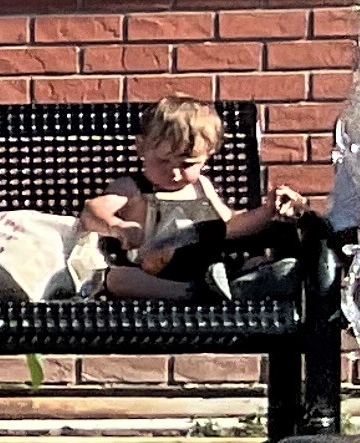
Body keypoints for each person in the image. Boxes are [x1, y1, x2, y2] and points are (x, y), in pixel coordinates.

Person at [82, 97, 302, 300]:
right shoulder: (132, 188)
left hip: (204, 267)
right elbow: (92, 211)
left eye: (187, 164)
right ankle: (197, 293)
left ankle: (251, 282)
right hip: (154, 273)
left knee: (253, 262)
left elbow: (230, 226)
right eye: (163, 161)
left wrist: (267, 211)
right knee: (118, 279)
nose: (175, 173)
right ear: (141, 147)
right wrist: (118, 226)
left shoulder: (201, 187)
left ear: (207, 156)